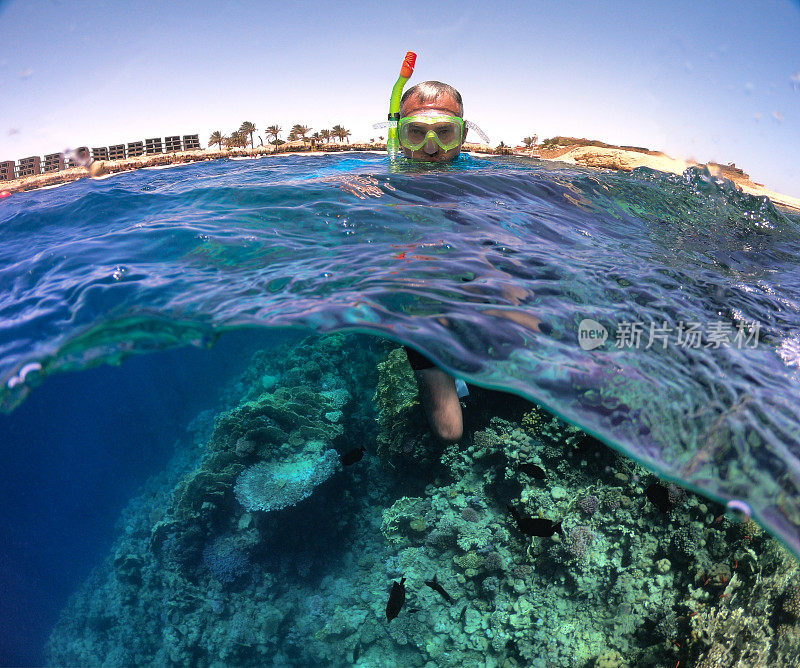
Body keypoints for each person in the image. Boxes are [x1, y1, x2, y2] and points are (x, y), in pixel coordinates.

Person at [397, 80, 470, 443]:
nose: (430, 148)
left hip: (477, 288)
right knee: (449, 431)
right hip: (422, 297)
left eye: (444, 133)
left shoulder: (486, 178)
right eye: (416, 133)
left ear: (464, 134)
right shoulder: (375, 181)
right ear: (398, 135)